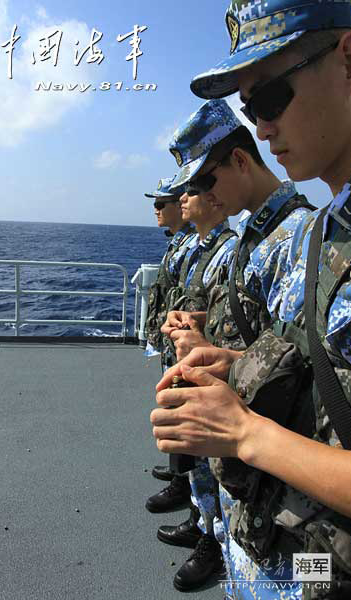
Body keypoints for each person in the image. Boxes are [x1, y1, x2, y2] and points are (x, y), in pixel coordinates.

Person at [152, 1, 351, 598]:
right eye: (250, 110)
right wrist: (234, 364)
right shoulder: (330, 227)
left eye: (270, 98)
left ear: (350, 61)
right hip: (304, 553)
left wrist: (246, 432)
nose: (263, 127)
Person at [159, 101, 313, 593]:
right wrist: (206, 328)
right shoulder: (253, 234)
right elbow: (264, 333)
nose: (196, 196)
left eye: (204, 184)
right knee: (247, 571)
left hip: (288, 489)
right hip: (250, 476)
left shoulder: (298, 237)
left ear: (240, 162)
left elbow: (309, 374)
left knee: (311, 580)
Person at [147, 100, 239, 591]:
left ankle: (215, 541)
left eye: (195, 188)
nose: (183, 199)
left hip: (216, 385)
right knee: (200, 468)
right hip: (191, 367)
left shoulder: (230, 250)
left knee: (215, 470)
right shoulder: (200, 249)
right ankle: (205, 527)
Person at [143, 176, 196, 485]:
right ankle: (179, 474)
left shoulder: (192, 245)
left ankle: (183, 483)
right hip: (169, 342)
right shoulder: (178, 242)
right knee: (173, 406)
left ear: (180, 204)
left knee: (183, 411)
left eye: (161, 203)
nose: (155, 209)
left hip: (182, 344)